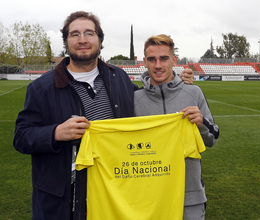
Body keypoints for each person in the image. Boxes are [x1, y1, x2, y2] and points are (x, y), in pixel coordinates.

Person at [13, 12, 194, 220]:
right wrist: (55, 133)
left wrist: (177, 84)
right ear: (66, 41)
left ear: (99, 40)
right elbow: (21, 137)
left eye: (89, 33)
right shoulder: (41, 88)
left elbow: (149, 101)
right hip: (63, 200)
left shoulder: (118, 78)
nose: (82, 40)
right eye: (75, 34)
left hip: (114, 192)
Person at [134, 34, 220, 220]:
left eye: (164, 58)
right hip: (149, 198)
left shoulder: (193, 92)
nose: (158, 65)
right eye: (152, 59)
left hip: (190, 196)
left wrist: (201, 123)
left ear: (174, 60)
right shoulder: (135, 99)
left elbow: (213, 138)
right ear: (144, 62)